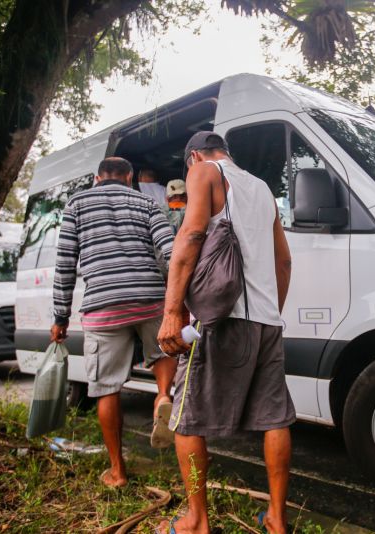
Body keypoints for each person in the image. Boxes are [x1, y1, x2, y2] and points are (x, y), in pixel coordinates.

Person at [157, 132, 295, 534]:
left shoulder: (203, 171)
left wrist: (171, 312)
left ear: (194, 155)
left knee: (186, 421)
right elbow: (283, 261)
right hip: (267, 321)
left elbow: (191, 235)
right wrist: (270, 312)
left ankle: (196, 521)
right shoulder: (262, 187)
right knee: (275, 419)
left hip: (219, 321)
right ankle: (277, 519)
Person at [50, 157, 179, 488]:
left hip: (103, 306)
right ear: (130, 177)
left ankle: (118, 471)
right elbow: (169, 250)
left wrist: (60, 316)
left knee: (107, 389)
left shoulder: (76, 204)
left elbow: (65, 263)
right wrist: (176, 299)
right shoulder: (147, 203)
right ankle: (163, 395)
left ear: (97, 178)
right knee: (163, 353)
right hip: (149, 296)